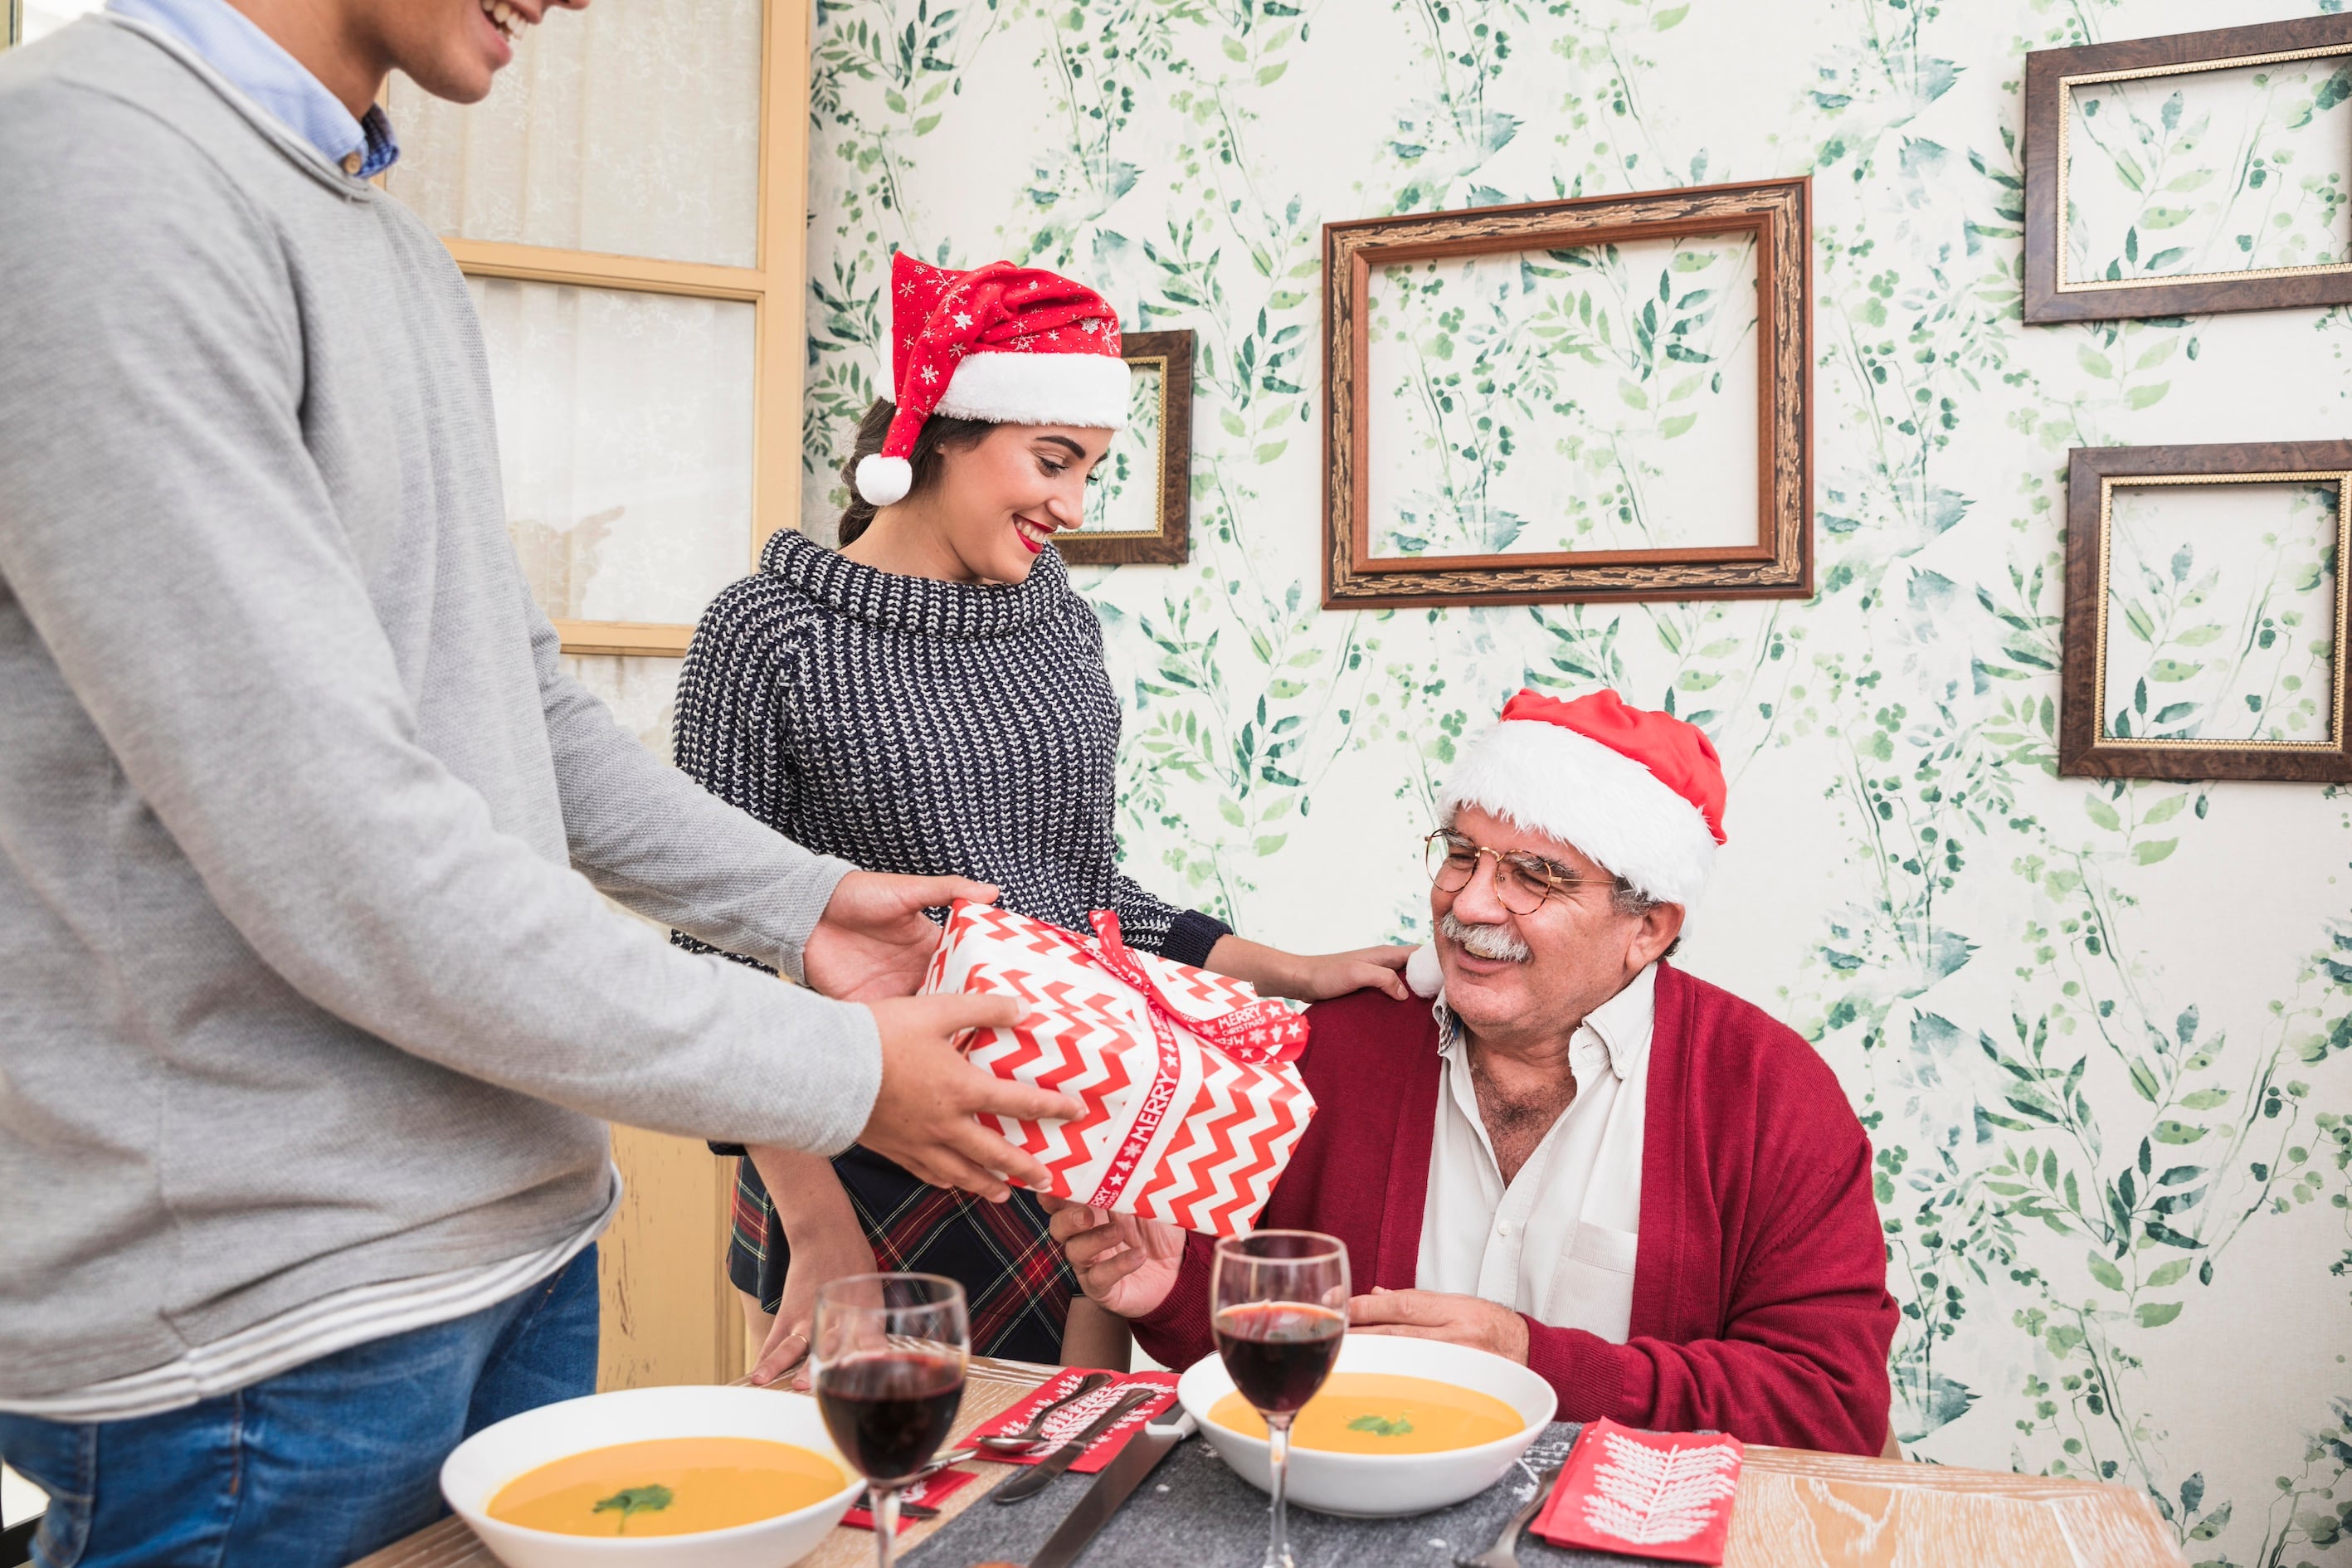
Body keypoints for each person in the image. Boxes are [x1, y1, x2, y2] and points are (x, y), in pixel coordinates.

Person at [0, 3, 1078, 1563]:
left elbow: (516, 704)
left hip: (519, 1254)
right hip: (265, 1339)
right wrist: (840, 1072)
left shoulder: (387, 246)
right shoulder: (99, 174)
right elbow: (347, 855)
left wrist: (806, 903)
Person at [673, 251, 1414, 1381]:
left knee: (1055, 1487)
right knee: (880, 1512)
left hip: (1070, 1129)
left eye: (1088, 471)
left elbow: (1082, 895)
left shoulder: (1053, 619)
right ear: (939, 431)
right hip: (854, 1147)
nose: (1069, 506)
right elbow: (712, 953)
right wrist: (817, 1223)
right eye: (1052, 460)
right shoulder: (766, 631)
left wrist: (1291, 968)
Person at [1052, 689, 1900, 1456]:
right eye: (1463, 856)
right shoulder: (1327, 1054)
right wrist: (1167, 1290)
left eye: (1534, 877)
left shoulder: (1768, 1094)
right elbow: (1259, 1358)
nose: (1469, 905)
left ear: (1648, 928)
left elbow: (1828, 1407)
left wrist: (1535, 1362)